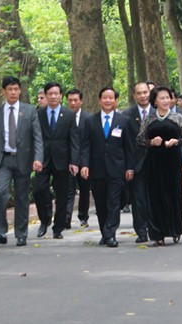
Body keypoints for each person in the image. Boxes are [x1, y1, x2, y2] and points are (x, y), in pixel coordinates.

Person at [0, 76, 43, 247]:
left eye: (16, 89)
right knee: (1, 194)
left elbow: (37, 137)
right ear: (3, 91)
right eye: (9, 89)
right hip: (3, 160)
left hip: (23, 159)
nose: (13, 92)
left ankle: (21, 234)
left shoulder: (29, 110)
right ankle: (0, 232)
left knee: (21, 198)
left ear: (20, 90)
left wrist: (38, 158)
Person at [80, 87, 135, 248]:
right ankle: (105, 233)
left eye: (111, 98)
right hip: (96, 169)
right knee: (101, 203)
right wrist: (84, 165)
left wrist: (129, 167)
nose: (108, 100)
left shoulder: (123, 120)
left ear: (115, 100)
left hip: (117, 168)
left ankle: (111, 234)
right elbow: (85, 146)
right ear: (99, 100)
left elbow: (129, 147)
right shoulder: (90, 120)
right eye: (105, 97)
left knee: (114, 202)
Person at [137, 86, 182, 246]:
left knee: (173, 194)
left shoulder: (178, 117)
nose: (166, 101)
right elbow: (139, 139)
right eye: (162, 98)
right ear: (155, 101)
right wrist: (151, 142)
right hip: (154, 162)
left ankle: (174, 229)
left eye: (168, 97)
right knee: (155, 196)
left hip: (173, 161)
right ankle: (157, 233)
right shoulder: (149, 119)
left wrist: (177, 141)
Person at [34, 82, 79, 239]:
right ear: (45, 96)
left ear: (61, 96)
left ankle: (58, 227)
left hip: (63, 159)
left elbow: (74, 140)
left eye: (56, 94)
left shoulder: (69, 115)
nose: (53, 96)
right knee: (39, 189)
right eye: (50, 94)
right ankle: (45, 219)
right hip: (42, 159)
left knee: (62, 195)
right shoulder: (38, 114)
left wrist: (74, 161)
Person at [121, 81, 155, 243]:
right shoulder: (127, 115)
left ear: (150, 93)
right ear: (134, 96)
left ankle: (156, 229)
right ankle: (141, 231)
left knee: (155, 198)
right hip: (136, 164)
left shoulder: (159, 112)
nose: (143, 96)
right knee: (139, 199)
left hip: (157, 163)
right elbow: (125, 143)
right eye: (139, 93)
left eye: (145, 92)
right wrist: (128, 166)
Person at [65, 89, 91, 229]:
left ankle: (83, 216)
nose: (73, 103)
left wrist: (85, 162)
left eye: (76, 100)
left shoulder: (88, 118)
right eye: (70, 100)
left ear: (81, 101)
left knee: (84, 190)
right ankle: (67, 218)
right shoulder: (64, 117)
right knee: (68, 190)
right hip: (68, 162)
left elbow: (89, 142)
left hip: (84, 161)